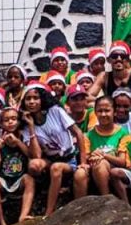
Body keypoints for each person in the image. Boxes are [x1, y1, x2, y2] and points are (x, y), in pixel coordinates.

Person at [23, 82, 86, 216]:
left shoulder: (56, 111)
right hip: (50, 159)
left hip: (69, 158)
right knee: (34, 164)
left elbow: (78, 133)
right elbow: (37, 155)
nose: (32, 102)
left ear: (42, 99)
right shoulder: (26, 125)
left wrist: (83, 162)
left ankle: (49, 212)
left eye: (35, 98)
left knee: (57, 168)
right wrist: (31, 127)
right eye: (28, 99)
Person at [74, 96, 131, 201]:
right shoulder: (88, 135)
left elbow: (122, 161)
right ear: (95, 113)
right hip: (93, 167)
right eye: (100, 111)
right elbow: (86, 157)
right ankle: (79, 206)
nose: (103, 114)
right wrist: (94, 157)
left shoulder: (123, 134)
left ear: (114, 112)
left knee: (101, 164)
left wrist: (104, 155)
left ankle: (106, 199)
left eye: (107, 111)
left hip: (113, 169)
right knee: (80, 173)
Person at [0, 106, 39, 225]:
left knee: (29, 180)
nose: (10, 122)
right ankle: (2, 223)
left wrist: (17, 142)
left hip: (19, 178)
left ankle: (23, 216)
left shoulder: (23, 137)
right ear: (1, 124)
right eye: (6, 120)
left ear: (18, 121)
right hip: (4, 178)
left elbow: (32, 155)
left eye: (13, 119)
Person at [88, 42, 131, 115]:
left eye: (122, 56)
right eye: (114, 56)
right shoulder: (103, 76)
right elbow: (87, 97)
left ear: (128, 60)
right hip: (112, 117)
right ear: (109, 60)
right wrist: (108, 101)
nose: (119, 59)